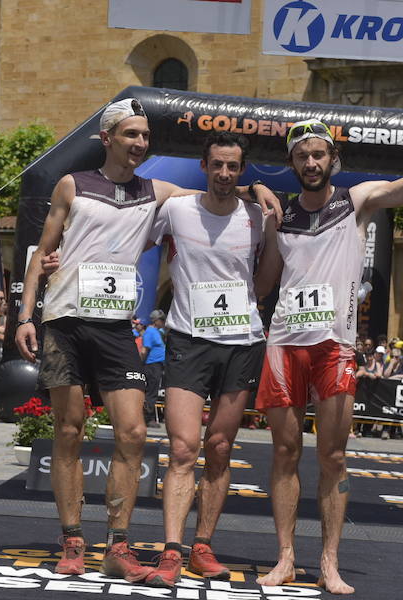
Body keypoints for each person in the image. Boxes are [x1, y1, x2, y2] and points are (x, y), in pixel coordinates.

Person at [15, 98, 279, 580]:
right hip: (66, 320)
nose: (139, 143)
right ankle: (73, 540)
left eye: (144, 137)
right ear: (107, 138)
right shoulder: (73, 185)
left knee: (134, 433)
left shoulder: (159, 192)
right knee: (69, 430)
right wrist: (25, 315)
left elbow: (216, 192)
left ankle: (118, 544)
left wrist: (256, 184)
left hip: (117, 327)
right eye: (130, 135)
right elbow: (42, 252)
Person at [252, 69, 403, 594]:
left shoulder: (356, 202)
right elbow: (265, 284)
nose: (311, 162)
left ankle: (329, 562)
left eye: (319, 154)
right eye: (302, 155)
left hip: (334, 345)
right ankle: (285, 557)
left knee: (333, 455)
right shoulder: (280, 218)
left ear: (334, 159)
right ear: (293, 163)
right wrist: (263, 221)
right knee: (284, 453)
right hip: (284, 343)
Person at [144, 132, 269, 587]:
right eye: (217, 164)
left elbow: (271, 267)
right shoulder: (178, 210)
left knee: (219, 447)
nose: (224, 174)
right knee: (182, 448)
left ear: (242, 170)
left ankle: (202, 545)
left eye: (232, 167)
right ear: (204, 165)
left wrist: (251, 302)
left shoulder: (257, 216)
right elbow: (133, 242)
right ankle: (172, 550)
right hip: (189, 340)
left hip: (242, 341)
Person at [141, 309, 166, 429]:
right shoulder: (150, 332)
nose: (163, 322)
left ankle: (147, 417)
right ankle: (148, 418)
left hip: (157, 365)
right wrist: (141, 364)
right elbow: (144, 350)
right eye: (162, 320)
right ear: (156, 320)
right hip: (152, 365)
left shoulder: (156, 331)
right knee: (151, 392)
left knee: (152, 392)